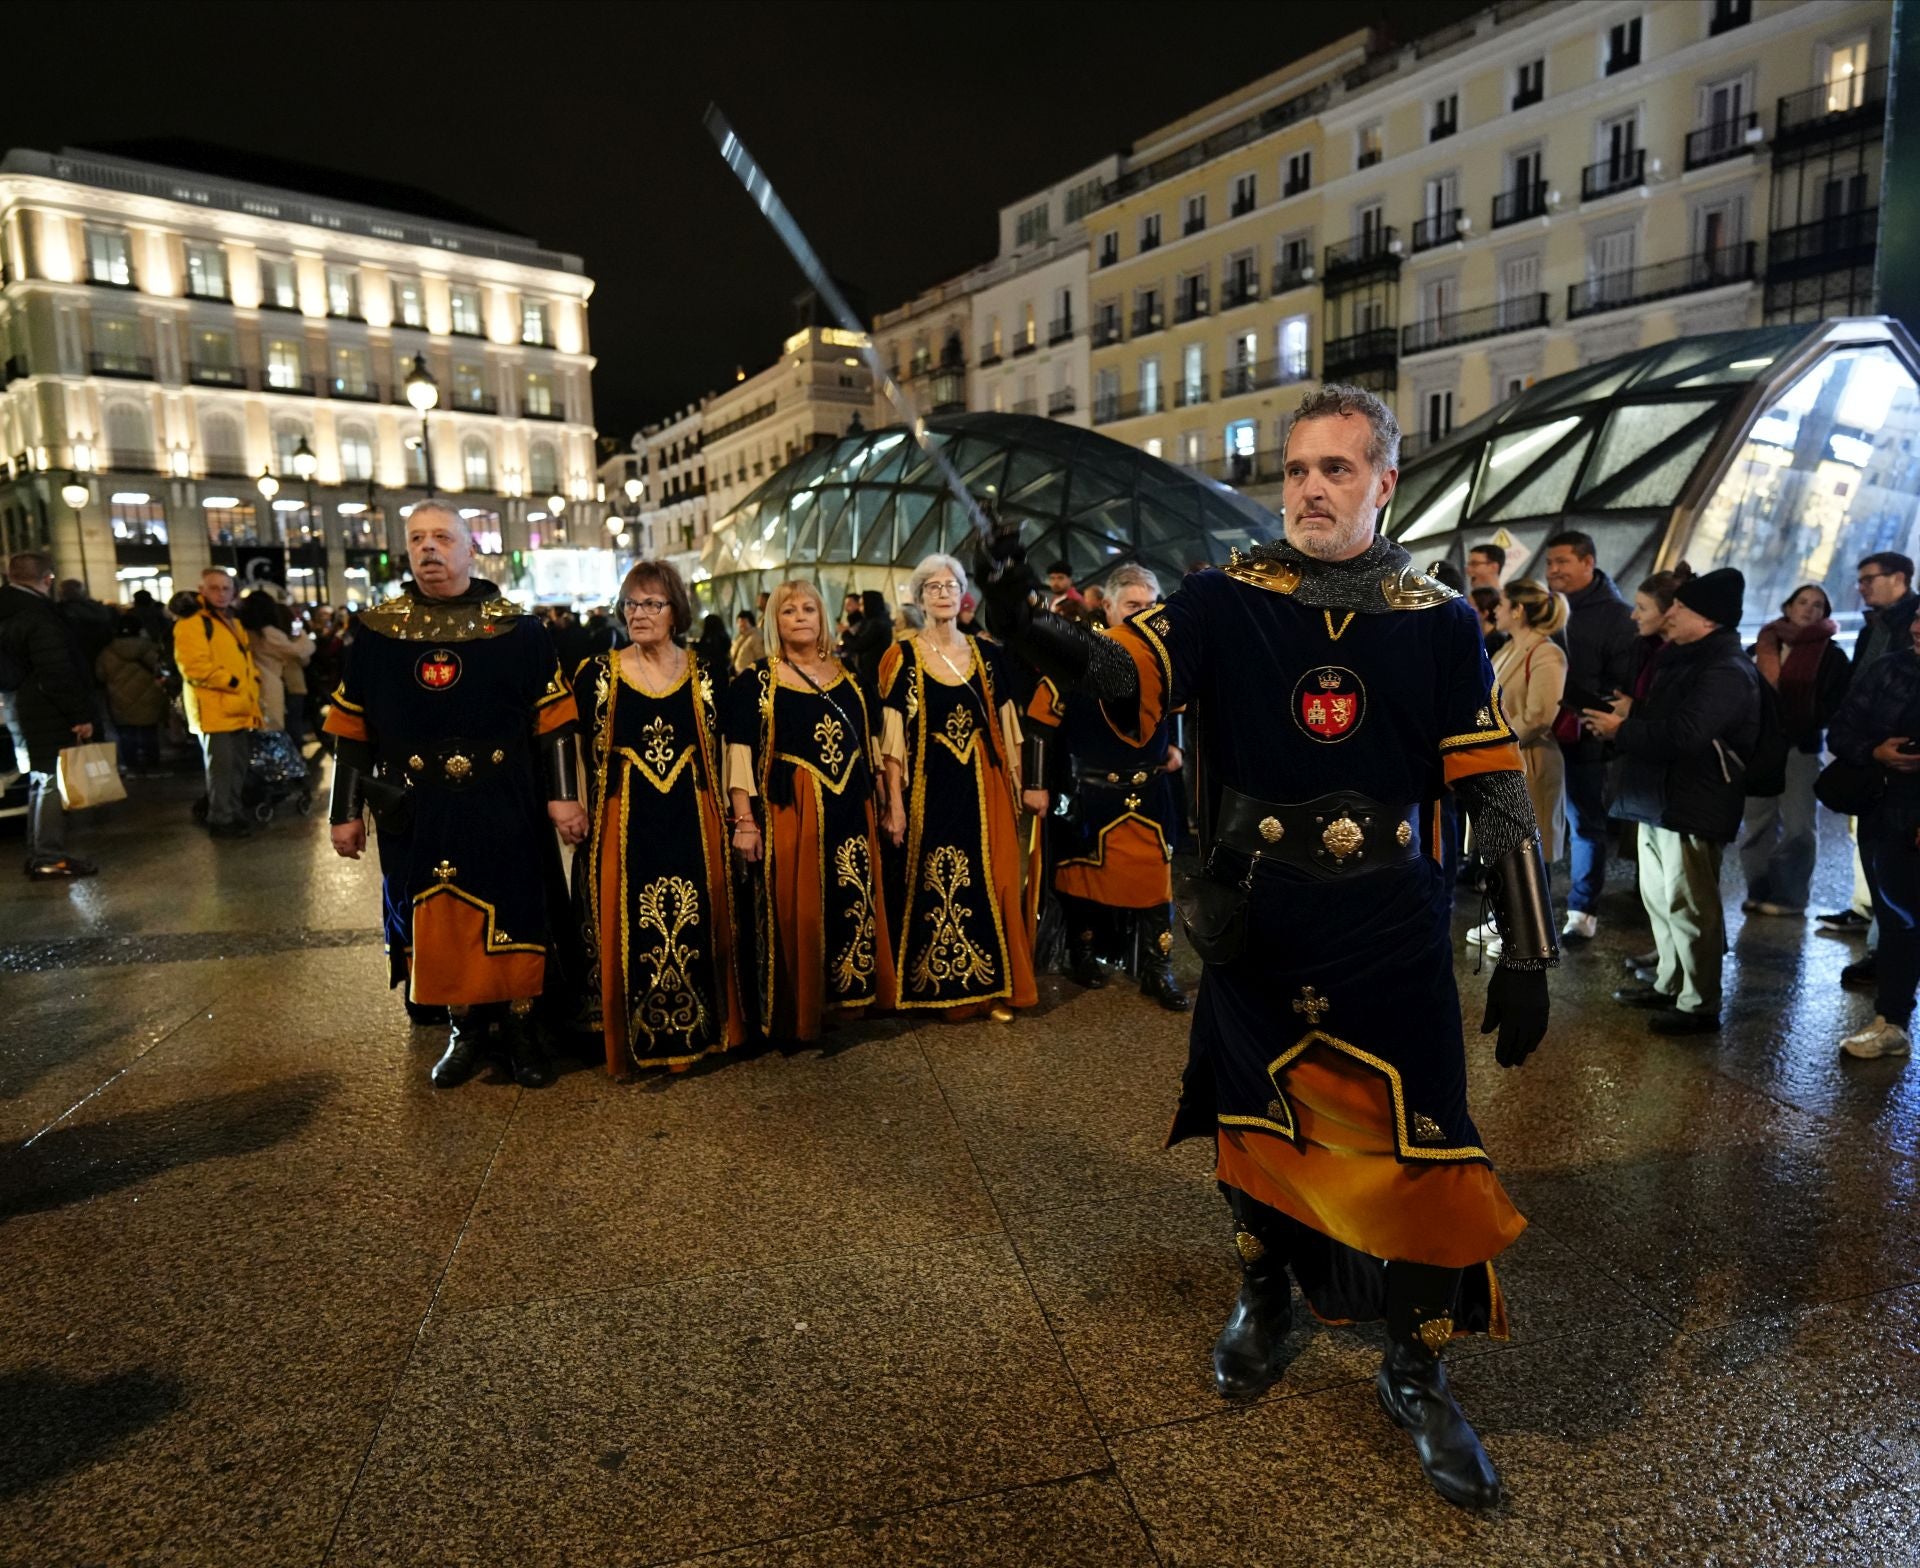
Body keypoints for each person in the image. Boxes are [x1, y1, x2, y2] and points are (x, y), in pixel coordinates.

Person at [983, 383, 1554, 1510]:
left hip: (1392, 925)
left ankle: (1418, 1368)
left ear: (1385, 483)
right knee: (1257, 1130)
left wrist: (1532, 946)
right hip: (1256, 917)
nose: (1310, 489)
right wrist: (1028, 620)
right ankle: (1267, 1295)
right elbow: (1122, 684)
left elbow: (1492, 785)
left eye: (1337, 469)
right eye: (1297, 470)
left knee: (1430, 1156)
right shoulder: (1220, 598)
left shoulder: (1437, 616)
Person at [324, 501, 586, 1088]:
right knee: (434, 915)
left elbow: (555, 723)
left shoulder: (518, 629)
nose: (428, 549)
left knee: (516, 905)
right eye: (417, 538)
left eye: (442, 537)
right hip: (416, 807)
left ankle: (521, 1031)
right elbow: (350, 730)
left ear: (471, 549)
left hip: (504, 800)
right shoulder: (374, 633)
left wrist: (565, 797)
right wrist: (344, 814)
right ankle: (463, 1030)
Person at [576, 560, 745, 1074]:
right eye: (631, 603)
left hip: (692, 820)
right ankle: (636, 1040)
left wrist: (743, 821)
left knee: (695, 920)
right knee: (630, 925)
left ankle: (695, 1031)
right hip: (623, 822)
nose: (639, 613)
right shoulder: (597, 674)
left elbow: (726, 750)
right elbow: (578, 750)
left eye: (652, 603)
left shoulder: (706, 673)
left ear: (676, 611)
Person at [1586, 568, 1760, 1036]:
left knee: (1689, 905)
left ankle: (1699, 1002)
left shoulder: (1725, 668)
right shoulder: (1684, 658)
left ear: (1707, 618)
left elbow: (1687, 733)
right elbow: (1672, 718)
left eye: (1680, 608)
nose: (1670, 615)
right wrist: (1633, 712)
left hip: (1693, 800)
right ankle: (1669, 981)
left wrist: (1624, 728)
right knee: (1660, 899)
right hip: (1659, 796)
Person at [727, 579, 895, 1041]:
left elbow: (871, 750)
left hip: (849, 812)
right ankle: (800, 1010)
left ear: (822, 619)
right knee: (796, 911)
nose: (800, 617)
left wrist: (888, 806)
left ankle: (847, 1001)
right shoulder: (754, 683)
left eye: (808, 609)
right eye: (788, 610)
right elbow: (739, 754)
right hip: (791, 812)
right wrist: (744, 821)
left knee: (852, 902)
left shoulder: (852, 680)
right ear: (773, 622)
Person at [879, 553, 1037, 1022]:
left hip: (983, 784)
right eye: (934, 587)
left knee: (993, 878)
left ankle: (992, 986)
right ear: (920, 597)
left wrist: (1019, 786)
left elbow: (1011, 730)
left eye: (951, 585)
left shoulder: (988, 654)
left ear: (962, 593)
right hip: (928, 787)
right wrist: (894, 804)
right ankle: (939, 987)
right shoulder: (901, 656)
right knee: (932, 880)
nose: (944, 593)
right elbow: (892, 741)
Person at [1023, 561, 1188, 1008]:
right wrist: (1035, 785)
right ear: (1108, 606)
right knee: (1083, 882)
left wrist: (1175, 748)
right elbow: (1039, 724)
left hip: (1150, 794)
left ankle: (1158, 969)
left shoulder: (1163, 659)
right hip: (1090, 795)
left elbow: (1174, 712)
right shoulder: (1079, 658)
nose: (1142, 613)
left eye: (1150, 605)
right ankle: (1084, 954)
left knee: (1158, 885)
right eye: (1132, 604)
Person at [1824, 604, 1920, 1061]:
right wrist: (1875, 751)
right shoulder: (1889, 669)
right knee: (1896, 919)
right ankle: (1893, 1022)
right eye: (1919, 616)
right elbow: (1840, 731)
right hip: (1883, 809)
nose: (1917, 626)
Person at [1542, 530, 1639, 942]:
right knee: (1541, 819)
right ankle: (1534, 903)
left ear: (1588, 562)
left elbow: (1622, 684)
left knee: (1584, 820)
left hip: (1586, 735)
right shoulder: (1548, 609)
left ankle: (1582, 910)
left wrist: (1591, 712)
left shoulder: (1616, 616)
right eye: (1549, 563)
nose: (1553, 571)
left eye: (1562, 562)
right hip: (1542, 734)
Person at [1466, 580, 1567, 956]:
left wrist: (1496, 739)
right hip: (1506, 761)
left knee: (1528, 848)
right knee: (1506, 845)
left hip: (1531, 763)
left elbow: (1541, 714)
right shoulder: (1512, 648)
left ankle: (1527, 931)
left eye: (1503, 603)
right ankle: (1506, 918)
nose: (1495, 610)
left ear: (1519, 611)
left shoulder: (1546, 654)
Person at [1739, 584, 1850, 918]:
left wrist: (1801, 721)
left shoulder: (1831, 656)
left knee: (1800, 824)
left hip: (1801, 746)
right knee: (1757, 820)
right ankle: (1757, 888)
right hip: (1759, 747)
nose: (1809, 609)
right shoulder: (1763, 644)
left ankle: (1790, 896)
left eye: (1818, 605)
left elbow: (1836, 702)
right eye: (1803, 602)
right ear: (1788, 606)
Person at [0, 551, 99, 878]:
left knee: (40, 778)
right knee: (53, 781)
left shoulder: (8, 608)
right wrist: (80, 714)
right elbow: (57, 670)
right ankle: (49, 855)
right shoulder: (39, 615)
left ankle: (40, 851)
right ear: (48, 579)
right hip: (46, 709)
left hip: (19, 704)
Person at [174, 568, 263, 840]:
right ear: (202, 590)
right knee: (222, 770)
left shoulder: (230, 622)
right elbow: (195, 667)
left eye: (226, 588)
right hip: (215, 710)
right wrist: (234, 683)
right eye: (215, 588)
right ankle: (221, 818)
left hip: (237, 707)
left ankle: (231, 814)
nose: (221, 593)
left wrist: (250, 686)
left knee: (235, 768)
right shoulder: (193, 624)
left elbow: (245, 662)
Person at [96, 612, 168, 776]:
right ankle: (152, 766)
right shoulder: (149, 647)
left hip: (119, 700)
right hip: (150, 698)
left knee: (126, 734)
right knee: (149, 733)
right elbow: (160, 668)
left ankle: (132, 766)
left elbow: (100, 675)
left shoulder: (107, 652)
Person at [238, 590, 313, 737]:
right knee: (275, 732)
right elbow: (301, 653)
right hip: (271, 684)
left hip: (249, 685)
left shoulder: (241, 630)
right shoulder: (269, 633)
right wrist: (302, 635)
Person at [840, 589, 894, 698]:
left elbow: (859, 645)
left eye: (862, 604)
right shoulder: (872, 621)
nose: (860, 609)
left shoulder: (877, 624)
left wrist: (845, 633)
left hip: (874, 675)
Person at [729, 608, 764, 675]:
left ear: (751, 622)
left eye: (744, 622)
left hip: (750, 677)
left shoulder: (756, 637)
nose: (741, 625)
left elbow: (761, 658)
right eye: (739, 622)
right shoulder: (739, 637)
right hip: (740, 676)